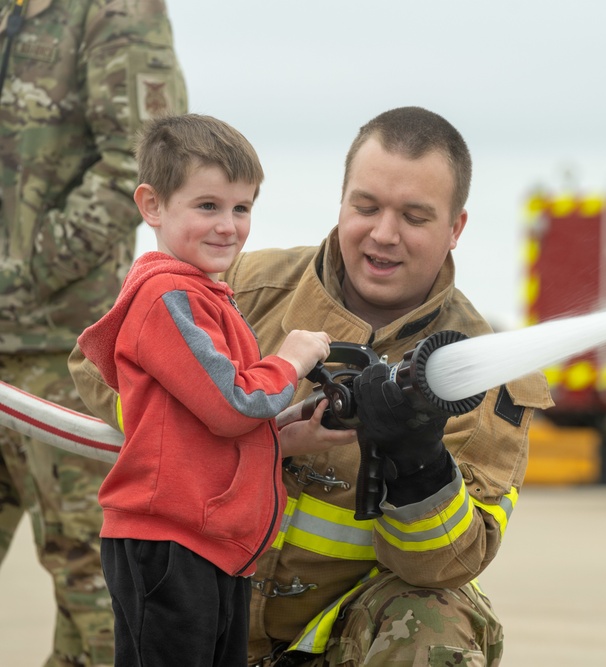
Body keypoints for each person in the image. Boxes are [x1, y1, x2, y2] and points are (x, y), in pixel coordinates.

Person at [70, 105, 554, 667]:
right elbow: (96, 367)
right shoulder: (238, 289)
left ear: (456, 229)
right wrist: (240, 431)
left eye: (415, 217)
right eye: (366, 207)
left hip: (334, 642)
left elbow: (443, 567)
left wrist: (416, 462)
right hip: (202, 611)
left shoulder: (482, 377)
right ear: (342, 200)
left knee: (438, 617)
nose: (383, 234)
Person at [76, 113, 333, 666]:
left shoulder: (206, 297)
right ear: (152, 206)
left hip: (213, 549)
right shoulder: (169, 298)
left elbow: (208, 430)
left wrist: (288, 432)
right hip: (170, 546)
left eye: (242, 208)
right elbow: (234, 404)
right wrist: (290, 359)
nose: (229, 226)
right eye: (208, 206)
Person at [0, 1, 186, 664]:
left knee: (95, 599)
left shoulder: (115, 11)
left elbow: (139, 162)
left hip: (59, 353)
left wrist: (20, 273)